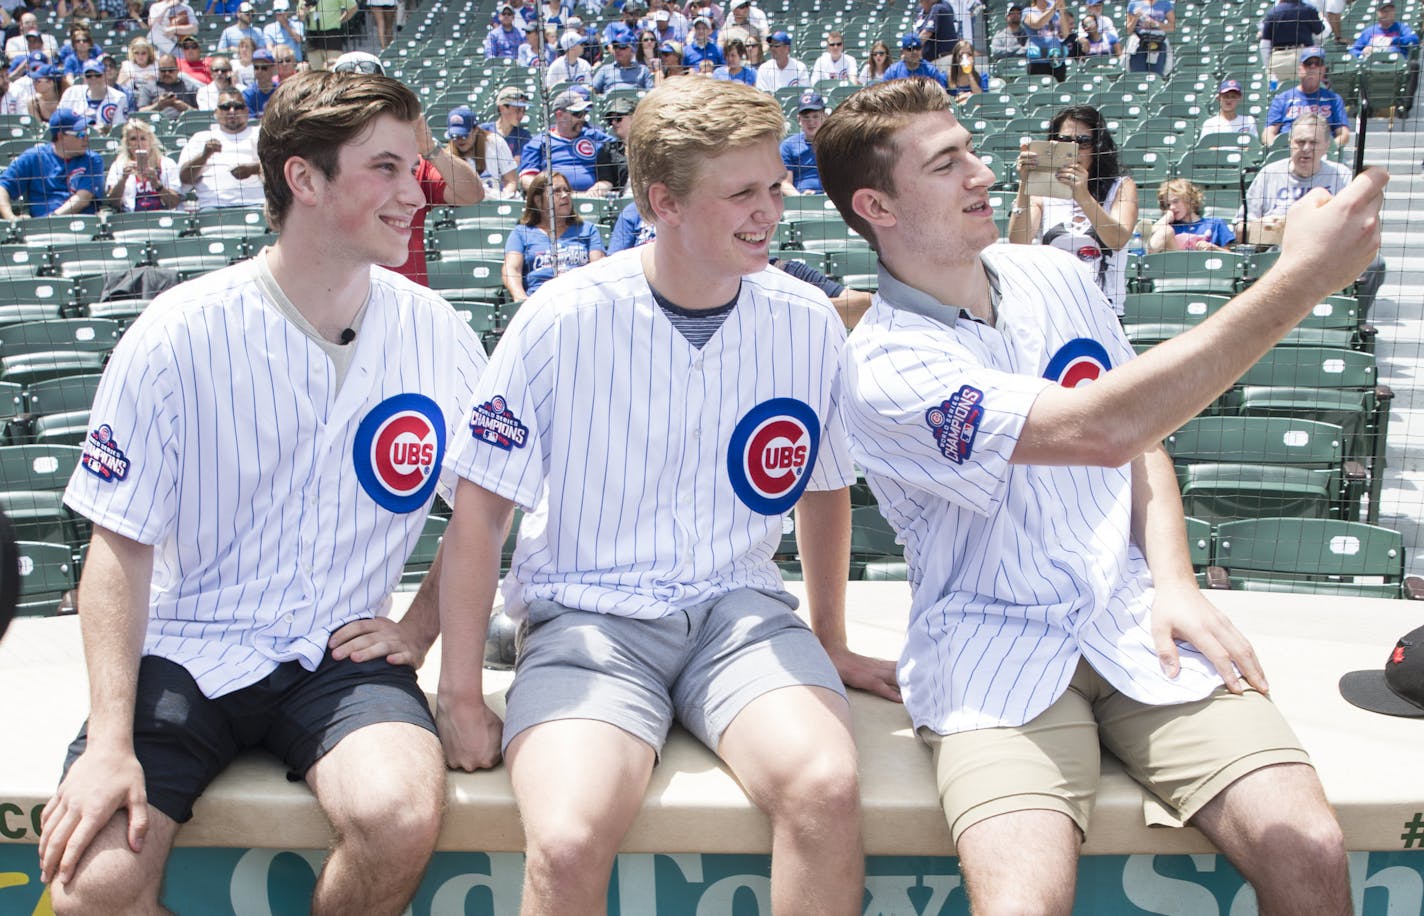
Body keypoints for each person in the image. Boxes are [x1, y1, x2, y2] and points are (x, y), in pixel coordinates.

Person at [815, 75, 1386, 916]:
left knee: (1309, 852)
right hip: (988, 647)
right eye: (945, 164)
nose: (982, 171)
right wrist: (1300, 279)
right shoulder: (885, 367)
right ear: (879, 207)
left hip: (1133, 619)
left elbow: (1142, 436)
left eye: (971, 148)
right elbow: (1103, 429)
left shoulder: (1055, 274)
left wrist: (1178, 583)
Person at [436, 76, 897, 916]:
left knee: (825, 789)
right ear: (664, 202)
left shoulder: (807, 319)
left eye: (773, 185)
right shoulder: (558, 318)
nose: (771, 210)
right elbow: (478, 518)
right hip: (588, 619)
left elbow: (824, 489)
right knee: (570, 839)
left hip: (740, 613)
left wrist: (828, 635)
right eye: (743, 193)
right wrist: (460, 694)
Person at [38, 69, 487, 916]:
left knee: (397, 815)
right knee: (93, 890)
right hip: (185, 644)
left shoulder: (438, 333)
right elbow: (119, 544)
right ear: (304, 179)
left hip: (337, 651)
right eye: (386, 168)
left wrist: (417, 629)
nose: (415, 189)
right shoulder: (176, 333)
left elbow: (482, 510)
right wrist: (108, 742)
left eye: (416, 166)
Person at [332, 51, 482, 286]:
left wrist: (431, 149)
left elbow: (471, 193)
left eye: (370, 97)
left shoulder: (411, 163)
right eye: (350, 98)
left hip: (404, 306)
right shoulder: (319, 165)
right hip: (338, 301)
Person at [1008, 104, 1137, 315]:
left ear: (1097, 146)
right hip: (1053, 307)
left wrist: (1081, 194)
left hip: (1104, 309)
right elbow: (1019, 242)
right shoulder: (1043, 190)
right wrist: (1025, 185)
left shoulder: (1121, 186)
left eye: (1083, 141)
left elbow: (1117, 239)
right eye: (1065, 141)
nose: (1074, 148)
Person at [500, 171, 605, 301]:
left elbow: (599, 267)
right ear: (538, 201)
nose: (565, 195)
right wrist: (520, 297)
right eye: (557, 191)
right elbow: (511, 269)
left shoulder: (587, 229)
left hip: (580, 300)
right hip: (539, 301)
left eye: (567, 190)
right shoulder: (521, 233)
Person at [0, 108, 103, 219]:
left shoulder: (92, 159)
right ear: (60, 136)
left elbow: (83, 199)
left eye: (87, 132)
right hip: (40, 229)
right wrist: (11, 218)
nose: (86, 138)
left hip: (81, 225)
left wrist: (52, 218)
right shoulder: (33, 157)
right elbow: (2, 187)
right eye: (80, 134)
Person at [177, 88, 262, 209]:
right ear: (216, 113)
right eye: (225, 107)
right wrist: (204, 156)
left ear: (247, 111)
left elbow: (279, 169)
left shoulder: (260, 134)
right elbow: (184, 178)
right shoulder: (201, 137)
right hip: (213, 208)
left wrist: (253, 169)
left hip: (256, 205)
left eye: (238, 106)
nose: (232, 111)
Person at [517, 89, 615, 193]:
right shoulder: (539, 142)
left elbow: (621, 147)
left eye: (584, 113)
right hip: (554, 201)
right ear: (559, 115)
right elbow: (527, 178)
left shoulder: (594, 136)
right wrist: (549, 193)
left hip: (593, 198)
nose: (582, 118)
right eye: (577, 114)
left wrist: (602, 186)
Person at [1262, 47, 1348, 147]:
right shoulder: (1282, 98)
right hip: (1287, 152)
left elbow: (1344, 134)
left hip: (1323, 154)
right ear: (1299, 68)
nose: (1313, 67)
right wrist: (1278, 148)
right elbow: (1268, 133)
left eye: (1318, 63)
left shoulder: (1334, 99)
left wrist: (1327, 148)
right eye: (1308, 63)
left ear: (1323, 69)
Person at [104, 117, 181, 211]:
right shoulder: (119, 165)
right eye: (133, 139)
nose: (139, 143)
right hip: (131, 219)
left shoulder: (167, 164)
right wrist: (123, 179)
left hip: (162, 218)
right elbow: (113, 203)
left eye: (143, 138)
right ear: (127, 143)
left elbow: (174, 203)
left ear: (150, 140)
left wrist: (157, 184)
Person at [445, 105, 517, 199]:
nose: (459, 140)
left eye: (463, 135)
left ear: (475, 130)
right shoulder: (447, 155)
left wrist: (504, 197)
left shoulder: (495, 143)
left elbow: (511, 180)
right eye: (454, 136)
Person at [1147, 178, 1235, 252]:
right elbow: (1151, 234)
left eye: (1175, 201)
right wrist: (1166, 218)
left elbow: (1230, 256)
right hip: (1176, 267)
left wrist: (1213, 249)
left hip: (1207, 268)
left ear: (1189, 199)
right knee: (1166, 231)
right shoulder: (1171, 227)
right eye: (1168, 205)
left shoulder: (1216, 223)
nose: (1172, 207)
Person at [1259, 0, 1323, 86]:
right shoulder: (1307, 9)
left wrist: (1269, 67)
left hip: (1278, 59)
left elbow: (1264, 45)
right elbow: (1322, 34)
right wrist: (1322, 16)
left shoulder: (1272, 13)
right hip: (1302, 57)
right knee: (1307, 95)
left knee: (1279, 96)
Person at [59, 58, 126, 134]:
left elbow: (119, 129)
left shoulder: (119, 97)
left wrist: (105, 129)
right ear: (84, 77)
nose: (93, 78)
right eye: (89, 76)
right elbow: (60, 120)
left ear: (104, 75)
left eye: (97, 75)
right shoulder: (71, 93)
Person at [780, 90, 825, 195]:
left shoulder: (834, 143)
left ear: (824, 117)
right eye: (806, 117)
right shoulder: (788, 145)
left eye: (815, 116)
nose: (811, 122)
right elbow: (785, 183)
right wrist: (801, 198)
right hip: (799, 201)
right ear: (799, 119)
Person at [592, 95, 634, 196]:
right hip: (623, 201)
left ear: (634, 117)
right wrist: (598, 189)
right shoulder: (608, 149)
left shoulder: (652, 145)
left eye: (618, 118)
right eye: (611, 120)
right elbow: (606, 181)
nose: (614, 123)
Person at [591, 25, 652, 92]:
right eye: (615, 46)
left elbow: (651, 93)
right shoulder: (605, 70)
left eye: (622, 46)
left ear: (632, 50)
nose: (617, 50)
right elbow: (592, 90)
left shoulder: (643, 70)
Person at [1350, 0, 1418, 57]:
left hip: (1395, 64)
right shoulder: (1369, 31)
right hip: (1372, 65)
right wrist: (1362, 53)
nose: (1387, 14)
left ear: (1394, 12)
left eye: (1390, 11)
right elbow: (1353, 50)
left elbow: (1414, 39)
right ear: (1378, 13)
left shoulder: (1401, 28)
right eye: (1384, 11)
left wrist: (1392, 40)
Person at [302, 0, 356, 71]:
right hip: (312, 36)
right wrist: (304, 11)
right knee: (315, 73)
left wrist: (341, 20)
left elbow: (353, 7)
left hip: (331, 34)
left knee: (334, 71)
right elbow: (300, 17)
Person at [1023, 0, 1070, 80]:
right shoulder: (1028, 11)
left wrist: (1062, 11)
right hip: (1038, 62)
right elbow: (1037, 24)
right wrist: (1054, 7)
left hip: (1057, 60)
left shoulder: (1056, 14)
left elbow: (1065, 34)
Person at [482, 85, 532, 159]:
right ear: (502, 108)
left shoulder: (524, 136)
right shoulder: (483, 131)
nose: (521, 115)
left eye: (523, 110)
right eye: (517, 110)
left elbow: (517, 165)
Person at [1124, 0, 1173, 75]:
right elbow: (1128, 30)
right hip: (1139, 44)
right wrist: (1135, 18)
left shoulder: (1165, 3)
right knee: (1138, 75)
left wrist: (1156, 24)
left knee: (1156, 75)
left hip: (1158, 44)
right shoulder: (1133, 3)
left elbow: (1172, 27)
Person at [914, 0, 960, 69]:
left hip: (942, 60)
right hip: (932, 61)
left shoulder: (939, 7)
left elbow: (926, 34)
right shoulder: (921, 10)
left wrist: (910, 49)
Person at [240, 47, 276, 115]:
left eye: (264, 67)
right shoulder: (247, 94)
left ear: (273, 69)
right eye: (256, 67)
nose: (259, 71)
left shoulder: (280, 91)